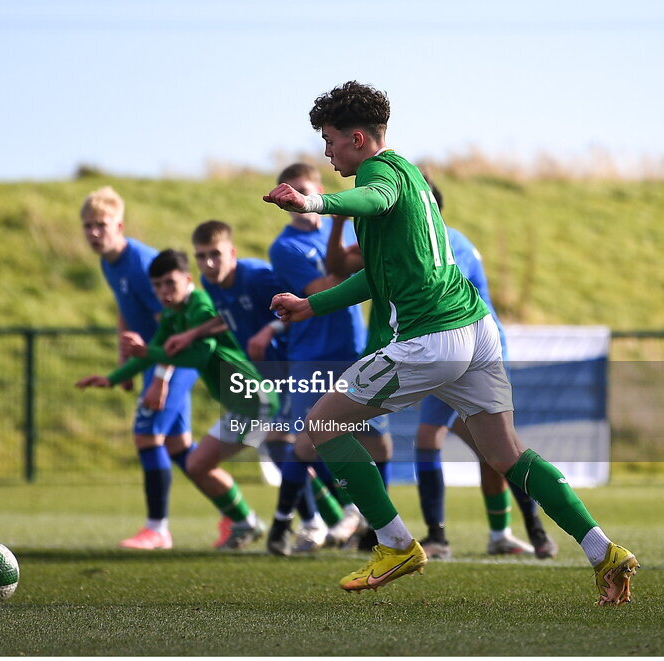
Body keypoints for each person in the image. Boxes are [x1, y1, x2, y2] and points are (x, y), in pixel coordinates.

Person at [264, 81, 637, 605]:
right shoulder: (413, 173)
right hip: (476, 330)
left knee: (323, 424)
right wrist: (309, 305)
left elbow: (372, 196)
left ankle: (395, 542)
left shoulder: (380, 175)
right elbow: (379, 275)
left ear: (358, 138)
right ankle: (604, 551)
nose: (326, 152)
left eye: (329, 140)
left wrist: (316, 201)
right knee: (508, 454)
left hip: (432, 337)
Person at [324, 181, 558, 560]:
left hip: (461, 345)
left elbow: (430, 290)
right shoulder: (417, 241)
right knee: (495, 448)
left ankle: (438, 538)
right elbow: (341, 267)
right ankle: (512, 533)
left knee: (437, 438)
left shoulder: (441, 244)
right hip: (454, 342)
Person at [169, 219, 346, 554]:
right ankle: (333, 521)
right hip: (270, 377)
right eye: (201, 256)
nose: (208, 263)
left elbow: (298, 305)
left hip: (293, 369)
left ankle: (330, 520)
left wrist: (270, 331)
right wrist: (193, 334)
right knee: (293, 448)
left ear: (232, 253)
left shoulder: (257, 276)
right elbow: (229, 316)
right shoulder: (215, 286)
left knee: (302, 446)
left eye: (215, 255)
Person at [77, 249, 273, 550]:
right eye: (157, 286)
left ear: (187, 279)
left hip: (255, 399)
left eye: (169, 283)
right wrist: (112, 378)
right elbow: (153, 350)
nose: (163, 292)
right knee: (197, 463)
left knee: (297, 463)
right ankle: (246, 522)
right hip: (241, 404)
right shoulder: (173, 314)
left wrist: (149, 354)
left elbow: (197, 354)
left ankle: (330, 522)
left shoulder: (200, 306)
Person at [265, 163, 392, 555]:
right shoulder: (284, 247)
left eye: (303, 191)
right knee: (306, 442)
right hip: (311, 355)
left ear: (318, 191)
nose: (298, 201)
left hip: (354, 350)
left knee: (379, 445)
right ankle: (283, 524)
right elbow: (323, 286)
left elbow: (360, 268)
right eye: (290, 193)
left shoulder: (349, 231)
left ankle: (373, 528)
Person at [79, 187, 200, 551]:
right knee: (181, 448)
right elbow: (124, 308)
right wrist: (125, 363)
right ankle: (240, 517)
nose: (94, 233)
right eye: (87, 226)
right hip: (153, 358)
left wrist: (160, 378)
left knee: (147, 437)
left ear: (120, 224)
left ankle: (157, 529)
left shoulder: (144, 263)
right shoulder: (108, 262)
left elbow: (175, 325)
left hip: (174, 358)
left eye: (101, 224)